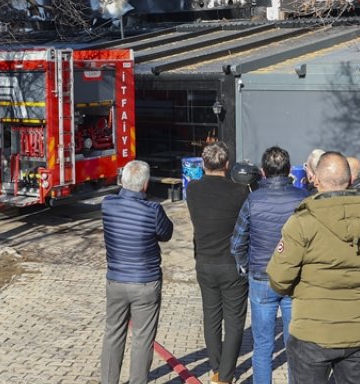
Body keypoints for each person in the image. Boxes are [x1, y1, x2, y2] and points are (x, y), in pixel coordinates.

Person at [267, 151, 360, 383]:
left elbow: (279, 279)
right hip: (358, 329)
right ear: (349, 181)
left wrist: (303, 292)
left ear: (315, 180)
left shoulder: (301, 222)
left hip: (312, 331)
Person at [230, 146, 309, 384]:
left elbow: (236, 244)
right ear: (288, 170)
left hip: (261, 277)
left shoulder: (253, 199)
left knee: (262, 345)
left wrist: (247, 267)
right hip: (294, 279)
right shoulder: (302, 199)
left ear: (263, 172)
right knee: (294, 344)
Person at [100, 160, 175, 384]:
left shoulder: (107, 205)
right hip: (145, 282)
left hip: (115, 280)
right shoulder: (153, 210)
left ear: (122, 180)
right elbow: (166, 233)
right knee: (143, 338)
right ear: (145, 186)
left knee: (113, 333)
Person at [186, 141, 252, 383]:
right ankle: (225, 375)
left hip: (205, 261)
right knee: (234, 321)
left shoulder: (192, 190)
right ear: (227, 164)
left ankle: (215, 367)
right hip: (232, 263)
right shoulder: (240, 191)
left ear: (203, 165)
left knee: (211, 316)